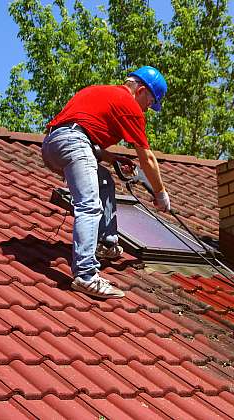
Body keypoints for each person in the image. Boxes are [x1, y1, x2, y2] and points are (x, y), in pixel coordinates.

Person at [41, 66, 170, 299]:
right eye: (149, 103)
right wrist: (160, 194)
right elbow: (147, 157)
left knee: (104, 181)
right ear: (141, 90)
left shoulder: (99, 91)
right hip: (74, 143)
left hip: (51, 145)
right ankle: (86, 276)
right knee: (89, 205)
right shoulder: (129, 105)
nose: (147, 110)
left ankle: (106, 243)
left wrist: (111, 157)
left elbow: (79, 132)